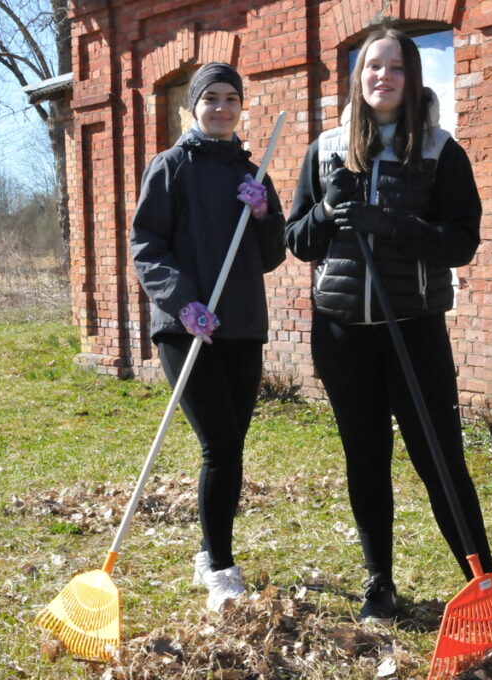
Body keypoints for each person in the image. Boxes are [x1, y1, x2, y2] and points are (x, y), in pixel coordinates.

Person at [284, 27, 492, 623]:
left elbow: (461, 241)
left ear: (411, 78)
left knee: (440, 459)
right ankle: (380, 583)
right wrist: (327, 210)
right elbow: (297, 242)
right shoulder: (325, 150)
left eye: (396, 67)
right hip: (343, 333)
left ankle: (483, 581)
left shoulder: (438, 150)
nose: (383, 77)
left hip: (415, 329)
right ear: (359, 76)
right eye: (373, 66)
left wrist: (391, 224)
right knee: (366, 457)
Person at [130, 62, 286, 613]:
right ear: (192, 107)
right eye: (210, 99)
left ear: (241, 107)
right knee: (220, 445)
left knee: (231, 447)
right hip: (186, 327)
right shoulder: (171, 167)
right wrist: (182, 299)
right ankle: (219, 566)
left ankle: (207, 549)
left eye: (230, 99)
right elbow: (146, 244)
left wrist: (265, 213)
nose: (221, 108)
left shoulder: (254, 172)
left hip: (242, 326)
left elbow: (270, 256)